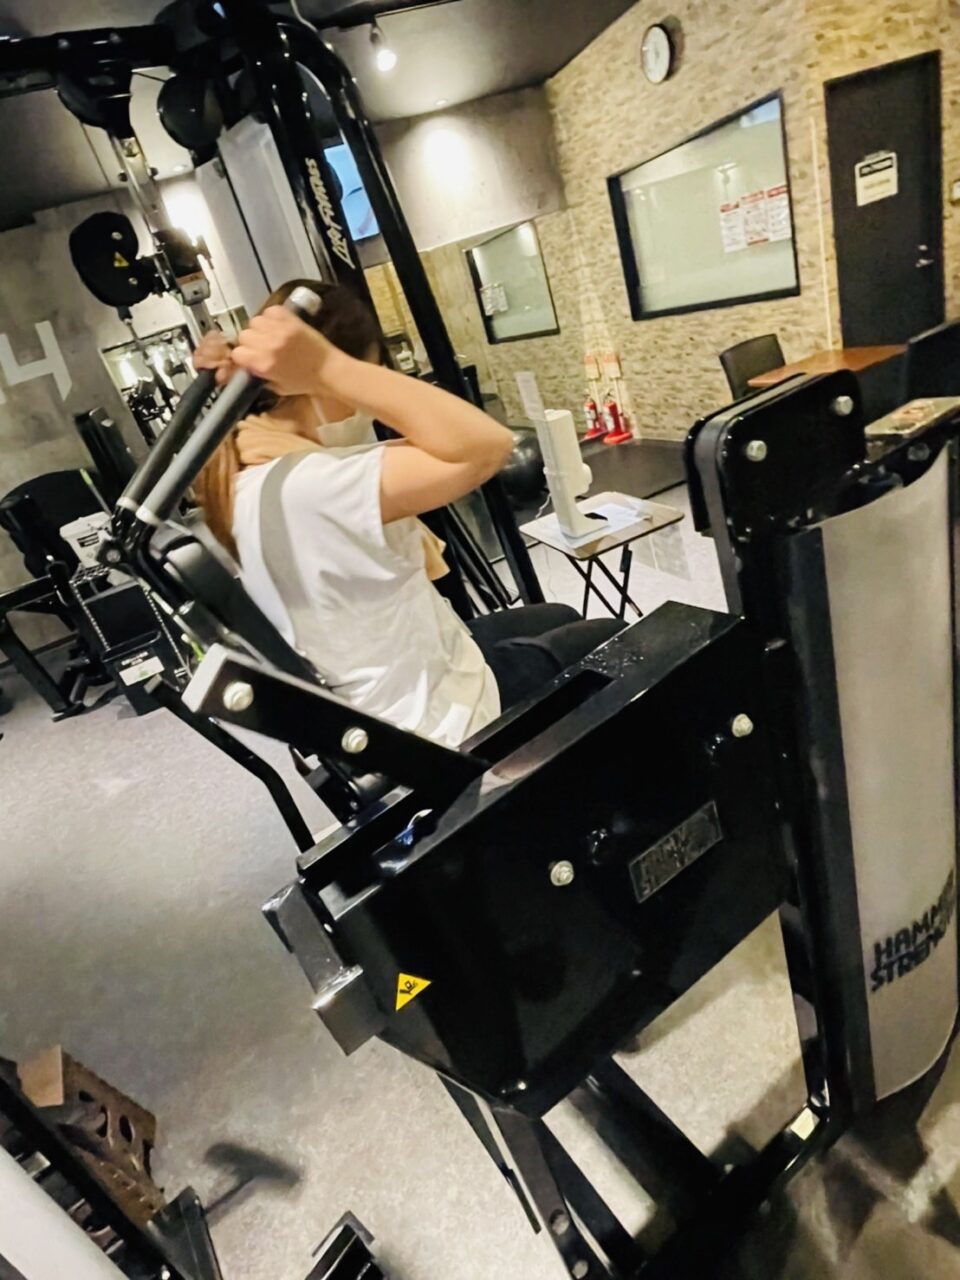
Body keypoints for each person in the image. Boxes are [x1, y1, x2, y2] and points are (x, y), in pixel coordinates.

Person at [193, 279, 622, 747]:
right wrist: (330, 367)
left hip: (402, 682)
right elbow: (489, 445)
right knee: (616, 638)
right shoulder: (314, 486)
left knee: (559, 612)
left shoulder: (253, 470)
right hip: (442, 723)